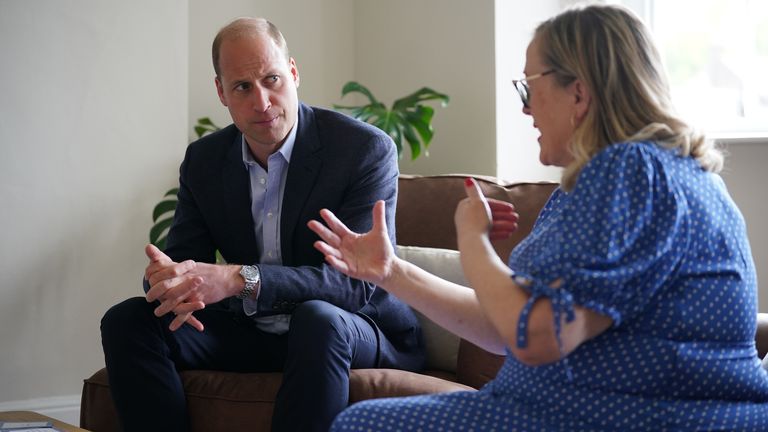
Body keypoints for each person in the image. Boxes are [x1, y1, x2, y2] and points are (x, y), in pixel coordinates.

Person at [309, 4, 768, 431]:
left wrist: (473, 241)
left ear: (579, 93)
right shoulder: (626, 177)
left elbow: (533, 336)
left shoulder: (632, 173)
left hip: (626, 415)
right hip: (580, 408)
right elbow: (505, 328)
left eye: (530, 86)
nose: (525, 107)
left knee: (362, 425)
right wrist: (392, 272)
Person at [100, 17, 424, 432]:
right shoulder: (204, 161)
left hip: (355, 325)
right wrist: (170, 279)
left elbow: (357, 284)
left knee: (317, 319)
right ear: (221, 92)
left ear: (293, 72)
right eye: (242, 87)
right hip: (252, 329)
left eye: (272, 79)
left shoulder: (361, 150)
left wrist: (243, 279)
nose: (262, 102)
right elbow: (186, 262)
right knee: (128, 320)